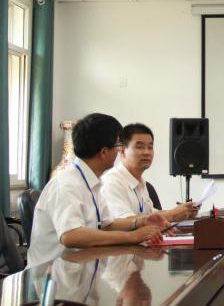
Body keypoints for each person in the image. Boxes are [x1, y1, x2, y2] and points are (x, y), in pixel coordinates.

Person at [27, 113, 167, 268]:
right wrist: (132, 236)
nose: (119, 151)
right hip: (52, 275)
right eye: (118, 145)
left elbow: (108, 225)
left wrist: (141, 221)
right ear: (104, 152)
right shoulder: (67, 184)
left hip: (82, 270)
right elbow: (71, 236)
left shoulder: (92, 182)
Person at [102, 123, 197, 221]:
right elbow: (125, 221)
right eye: (140, 147)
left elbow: (151, 213)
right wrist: (172, 215)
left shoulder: (140, 181)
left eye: (150, 147)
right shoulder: (112, 182)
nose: (147, 152)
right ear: (122, 151)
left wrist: (182, 213)